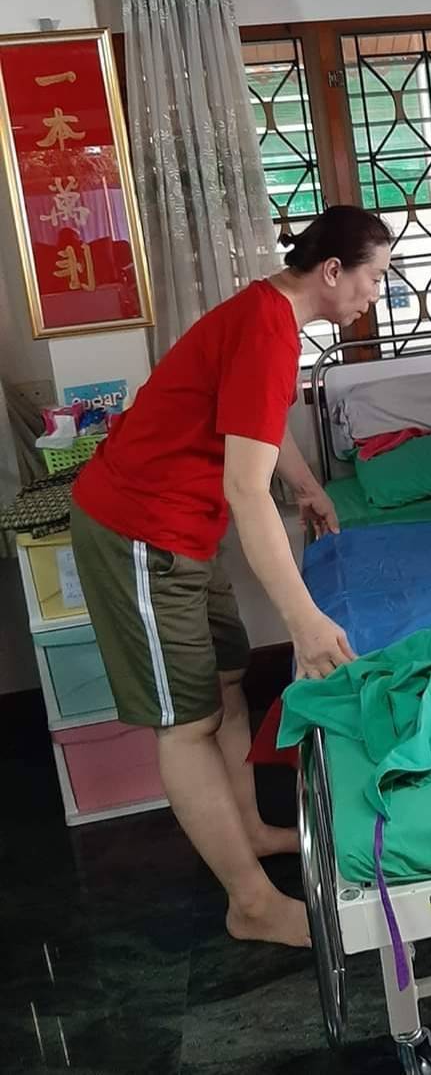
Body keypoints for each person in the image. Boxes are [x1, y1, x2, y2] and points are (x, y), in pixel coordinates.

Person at [70, 206, 392, 948]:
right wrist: (304, 621)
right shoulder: (264, 328)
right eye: (374, 277)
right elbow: (246, 491)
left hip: (188, 528)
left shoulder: (273, 319)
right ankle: (249, 905)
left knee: (226, 683)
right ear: (332, 271)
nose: (376, 293)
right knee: (186, 726)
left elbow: (258, 421)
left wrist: (306, 486)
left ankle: (246, 829)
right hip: (138, 530)